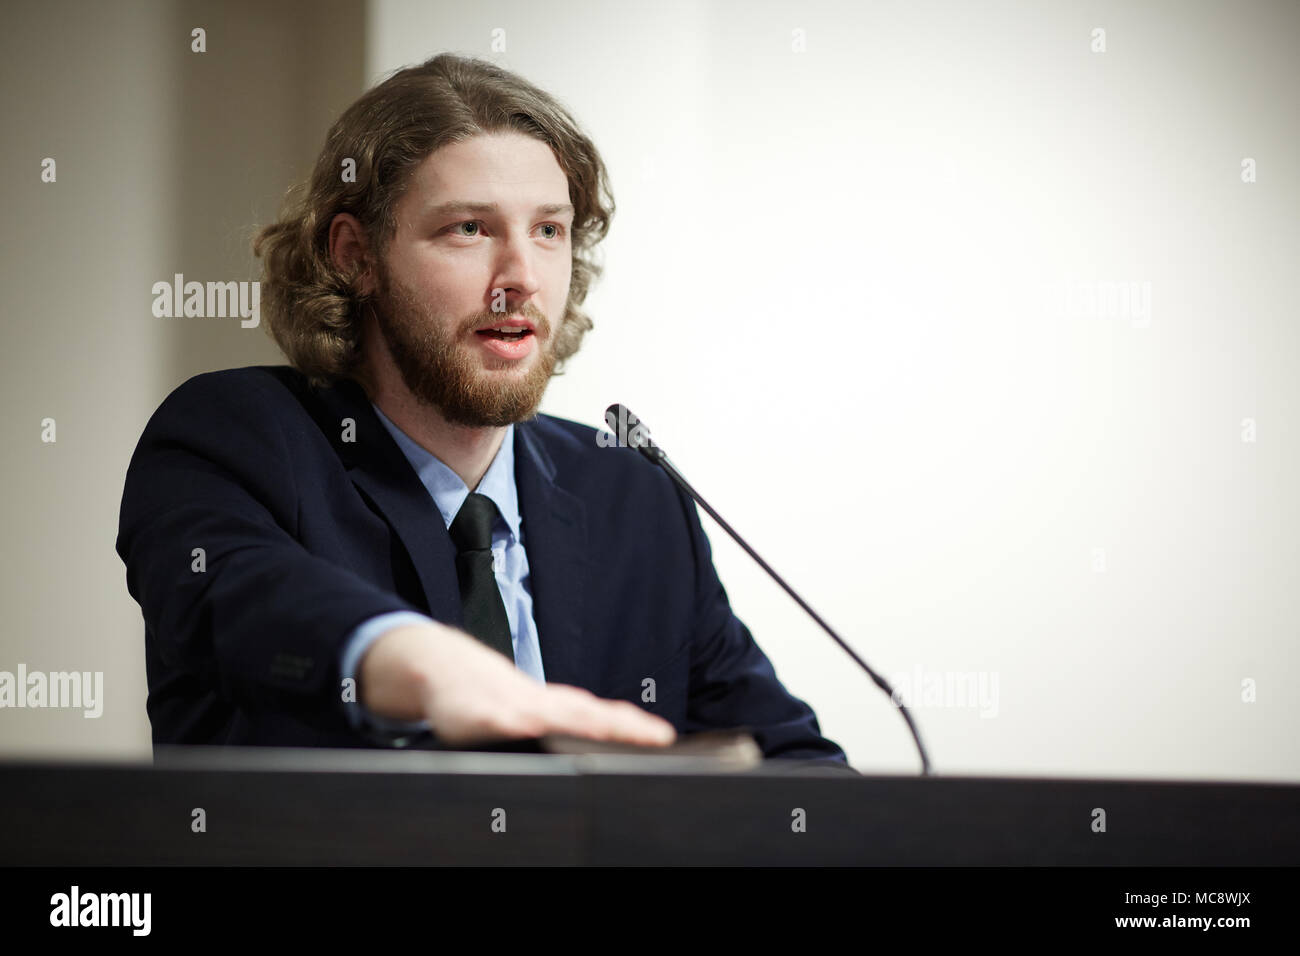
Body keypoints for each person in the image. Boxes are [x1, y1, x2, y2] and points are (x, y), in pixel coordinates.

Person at [116, 53, 851, 769]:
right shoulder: (234, 437)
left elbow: (793, 770)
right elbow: (240, 600)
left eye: (548, 230)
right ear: (355, 255)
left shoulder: (633, 494)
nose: (521, 280)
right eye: (469, 228)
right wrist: (406, 659)